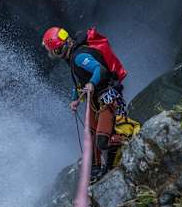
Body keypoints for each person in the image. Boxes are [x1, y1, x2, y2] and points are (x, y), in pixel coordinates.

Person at [42, 27, 127, 182]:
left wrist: (92, 84)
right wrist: (76, 99)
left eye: (52, 51)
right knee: (91, 137)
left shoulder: (78, 57)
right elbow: (79, 83)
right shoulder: (73, 56)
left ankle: (127, 138)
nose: (51, 54)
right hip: (97, 100)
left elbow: (99, 69)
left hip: (107, 98)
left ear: (58, 50)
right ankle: (96, 170)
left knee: (102, 140)